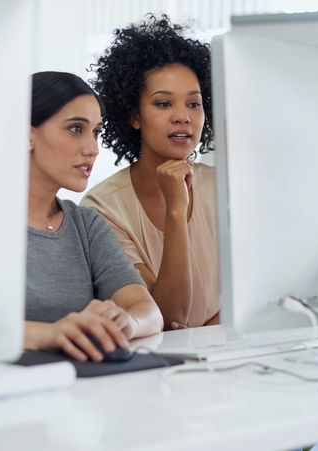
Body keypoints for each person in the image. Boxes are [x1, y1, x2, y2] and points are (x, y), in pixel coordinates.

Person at [82, 15, 218, 330]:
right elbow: (166, 319)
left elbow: (254, 304)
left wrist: (215, 330)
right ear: (134, 116)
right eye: (163, 104)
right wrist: (175, 209)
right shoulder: (102, 209)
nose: (183, 117)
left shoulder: (225, 187)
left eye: (194, 104)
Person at [25, 71, 163, 361]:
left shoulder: (86, 224)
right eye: (76, 129)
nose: (93, 149)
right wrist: (48, 334)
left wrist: (127, 322)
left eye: (96, 132)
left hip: (79, 388)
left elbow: (148, 311)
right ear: (27, 135)